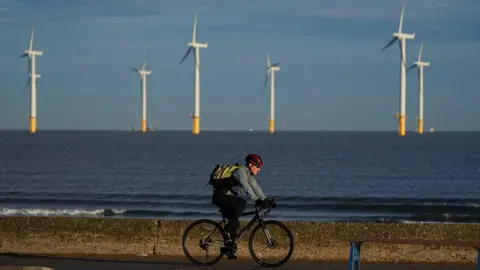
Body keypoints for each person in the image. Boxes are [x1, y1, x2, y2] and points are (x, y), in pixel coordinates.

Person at [211, 153, 273, 259]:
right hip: (220, 196)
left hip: (226, 197)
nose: (259, 169)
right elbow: (247, 187)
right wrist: (256, 200)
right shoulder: (241, 172)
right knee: (241, 204)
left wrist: (265, 199)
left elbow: (256, 187)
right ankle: (228, 230)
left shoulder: (250, 176)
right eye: (258, 166)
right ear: (250, 165)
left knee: (235, 222)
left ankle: (229, 248)